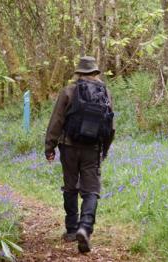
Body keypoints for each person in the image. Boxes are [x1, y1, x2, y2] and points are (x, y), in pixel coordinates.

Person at [45, 56, 115, 253]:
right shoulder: (105, 92)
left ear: (79, 73)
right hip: (92, 148)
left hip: (68, 146)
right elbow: (110, 126)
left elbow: (56, 121)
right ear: (95, 72)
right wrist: (105, 149)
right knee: (91, 189)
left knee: (70, 186)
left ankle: (71, 229)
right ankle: (85, 227)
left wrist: (49, 147)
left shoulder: (68, 91)